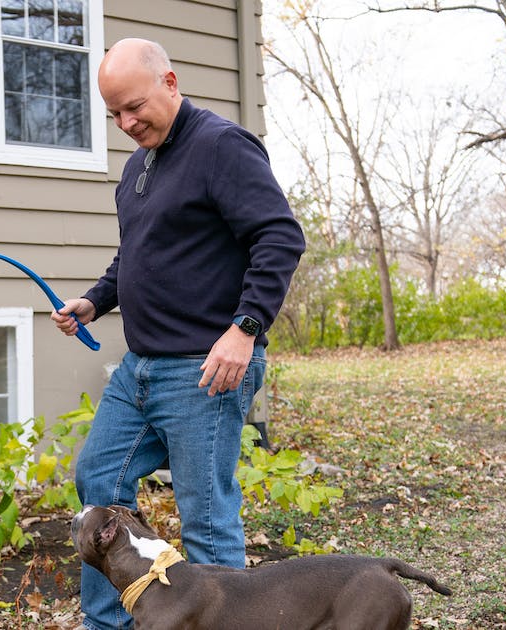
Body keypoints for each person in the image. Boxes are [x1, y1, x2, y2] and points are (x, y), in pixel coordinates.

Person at [51, 38, 305, 630]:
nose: (126, 122)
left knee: (207, 520)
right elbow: (134, 258)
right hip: (139, 369)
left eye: (134, 106)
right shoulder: (138, 166)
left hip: (204, 370)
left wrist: (245, 329)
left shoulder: (222, 146)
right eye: (114, 114)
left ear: (170, 82)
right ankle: (113, 622)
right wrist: (93, 301)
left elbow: (279, 238)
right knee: (98, 484)